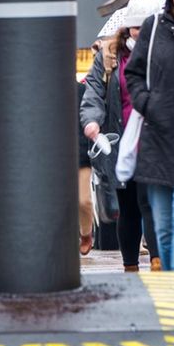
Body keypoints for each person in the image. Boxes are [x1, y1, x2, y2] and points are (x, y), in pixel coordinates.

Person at [84, 0, 166, 272]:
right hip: (122, 144)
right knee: (128, 206)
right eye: (134, 27)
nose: (139, 33)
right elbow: (93, 93)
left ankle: (157, 262)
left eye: (144, 27)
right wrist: (92, 120)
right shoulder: (109, 57)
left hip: (156, 141)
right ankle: (130, 266)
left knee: (150, 202)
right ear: (126, 27)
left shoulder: (165, 50)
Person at [125, 0, 174, 271]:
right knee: (163, 228)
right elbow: (133, 73)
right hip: (156, 140)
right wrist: (147, 103)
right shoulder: (154, 28)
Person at [77, 79, 96, 255]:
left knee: (84, 200)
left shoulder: (82, 91)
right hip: (52, 157)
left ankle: (85, 234)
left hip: (80, 155)